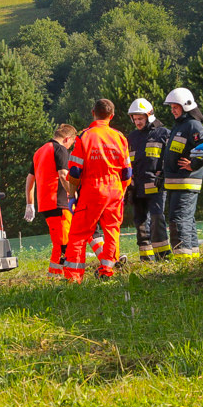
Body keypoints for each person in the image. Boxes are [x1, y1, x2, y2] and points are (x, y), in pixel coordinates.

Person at [63, 99, 131, 282]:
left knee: (78, 233)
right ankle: (106, 271)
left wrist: (72, 194)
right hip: (115, 189)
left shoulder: (85, 136)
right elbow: (127, 173)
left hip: (93, 189)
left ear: (93, 112)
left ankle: (73, 277)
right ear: (112, 116)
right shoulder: (120, 137)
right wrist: (121, 192)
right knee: (112, 231)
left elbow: (75, 171)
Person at [161, 88, 203, 259]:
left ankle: (183, 260)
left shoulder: (192, 125)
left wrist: (194, 164)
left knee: (179, 219)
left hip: (187, 181)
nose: (173, 110)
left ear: (186, 106)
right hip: (176, 182)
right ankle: (193, 256)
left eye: (176, 107)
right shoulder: (179, 126)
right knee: (185, 219)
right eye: (172, 107)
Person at [24, 124, 78, 276]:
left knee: (59, 243)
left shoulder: (39, 151)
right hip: (59, 202)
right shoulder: (60, 149)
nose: (70, 147)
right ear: (67, 139)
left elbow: (29, 180)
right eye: (71, 143)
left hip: (45, 203)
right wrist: (72, 194)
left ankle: (54, 276)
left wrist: (30, 203)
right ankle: (56, 277)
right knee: (63, 244)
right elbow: (62, 175)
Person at [126, 98, 171, 261]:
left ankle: (163, 256)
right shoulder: (132, 137)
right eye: (135, 119)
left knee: (157, 219)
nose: (137, 122)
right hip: (136, 187)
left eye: (140, 119)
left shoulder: (163, 133)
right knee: (140, 222)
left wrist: (164, 174)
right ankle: (146, 258)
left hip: (156, 185)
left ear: (149, 116)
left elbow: (169, 158)